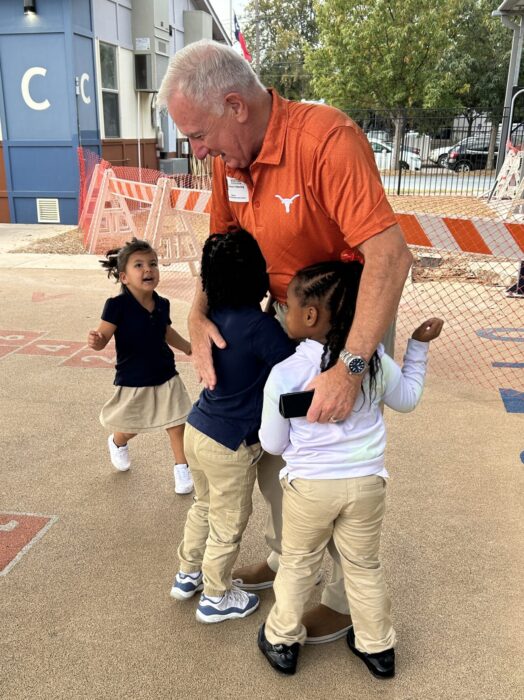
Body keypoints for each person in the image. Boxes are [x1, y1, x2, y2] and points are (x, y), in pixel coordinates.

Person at [157, 39, 413, 641]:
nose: (197, 152)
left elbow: (389, 257)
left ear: (234, 105)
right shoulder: (230, 162)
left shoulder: (325, 140)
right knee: (273, 450)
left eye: (197, 135)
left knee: (336, 458)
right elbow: (220, 247)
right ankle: (286, 556)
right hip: (289, 316)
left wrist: (350, 368)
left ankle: (346, 601)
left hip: (349, 322)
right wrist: (198, 317)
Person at [256, 259, 444, 677]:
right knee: (363, 565)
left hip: (310, 488)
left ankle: (282, 639)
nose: (283, 311)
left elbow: (271, 442)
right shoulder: (372, 362)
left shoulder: (285, 373)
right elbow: (409, 398)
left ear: (310, 315)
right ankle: (378, 648)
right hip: (366, 485)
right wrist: (418, 346)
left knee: (299, 563)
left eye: (287, 305)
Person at [169, 230, 296, 623]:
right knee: (229, 521)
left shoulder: (213, 318)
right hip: (230, 445)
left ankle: (187, 574)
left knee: (203, 507)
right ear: (260, 276)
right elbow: (295, 370)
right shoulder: (262, 328)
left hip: (197, 429)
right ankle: (216, 596)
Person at [87, 237, 194, 494]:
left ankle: (182, 469)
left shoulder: (162, 304)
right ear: (124, 277)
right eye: (139, 265)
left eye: (153, 264)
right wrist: (97, 340)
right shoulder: (117, 306)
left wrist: (189, 347)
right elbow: (103, 336)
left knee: (177, 423)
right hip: (134, 378)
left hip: (166, 374)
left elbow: (166, 332)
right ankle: (118, 441)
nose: (148, 269)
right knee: (132, 427)